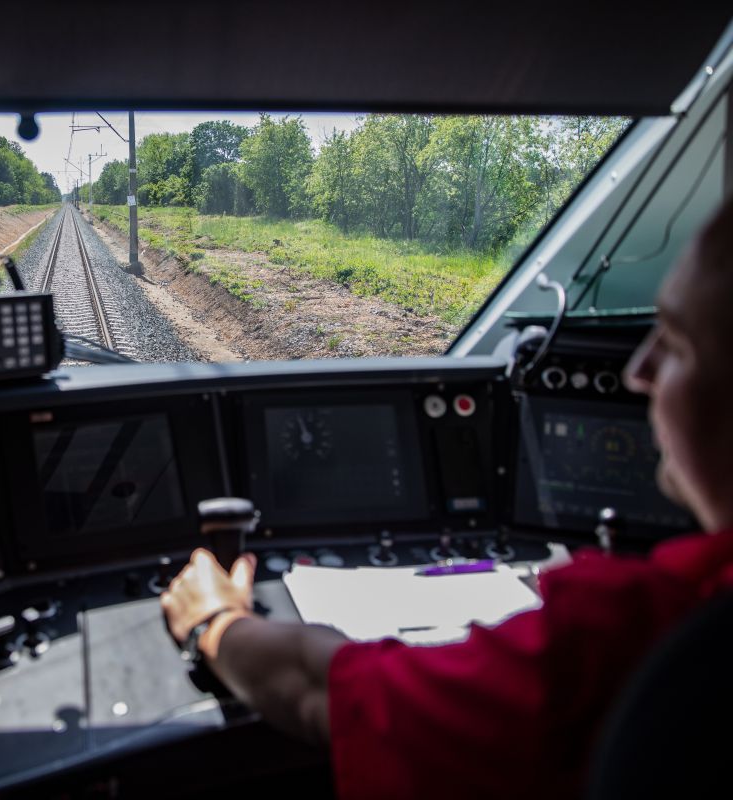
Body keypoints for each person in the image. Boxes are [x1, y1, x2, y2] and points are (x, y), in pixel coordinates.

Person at [160, 195, 733, 799]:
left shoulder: (634, 629)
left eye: (675, 341)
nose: (638, 371)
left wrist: (212, 621)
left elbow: (329, 693)